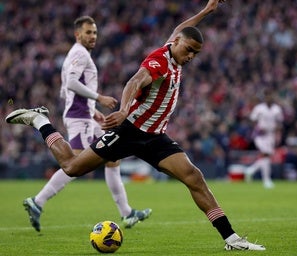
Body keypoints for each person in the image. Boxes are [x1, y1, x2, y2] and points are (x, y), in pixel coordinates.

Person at [6, 0, 265, 251]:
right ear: (176, 44)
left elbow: (180, 29)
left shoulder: (174, 47)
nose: (190, 57)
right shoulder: (159, 61)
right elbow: (135, 81)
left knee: (194, 177)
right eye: (188, 50)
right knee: (71, 166)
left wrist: (207, 10)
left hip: (154, 137)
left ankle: (231, 238)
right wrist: (123, 110)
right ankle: (40, 120)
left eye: (195, 53)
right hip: (129, 131)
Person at [22, 16, 151, 232]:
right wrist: (99, 98)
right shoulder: (79, 54)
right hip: (78, 117)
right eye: (88, 32)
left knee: (113, 157)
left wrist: (94, 112)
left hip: (85, 115)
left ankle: (127, 213)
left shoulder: (78, 55)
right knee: (74, 164)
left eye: (95, 33)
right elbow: (71, 84)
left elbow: (67, 88)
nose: (93, 36)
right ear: (77, 34)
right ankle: (38, 201)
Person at [244, 89, 284, 188]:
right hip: (260, 135)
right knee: (265, 155)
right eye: (267, 96)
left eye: (270, 96)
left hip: (271, 135)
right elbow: (252, 120)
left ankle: (250, 170)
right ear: (264, 98)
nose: (268, 98)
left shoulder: (277, 109)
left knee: (266, 157)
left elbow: (280, 123)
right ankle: (266, 180)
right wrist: (257, 128)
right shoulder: (259, 108)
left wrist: (277, 131)